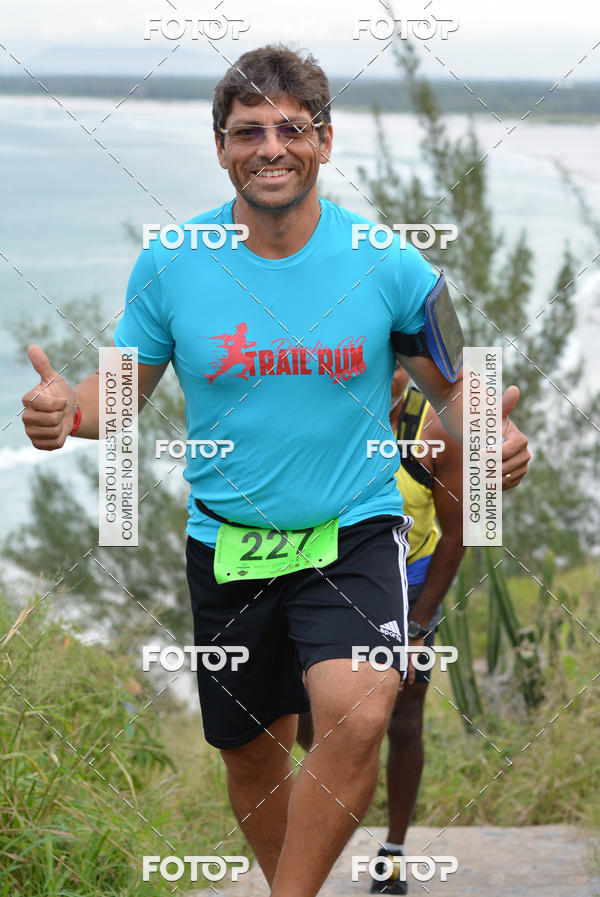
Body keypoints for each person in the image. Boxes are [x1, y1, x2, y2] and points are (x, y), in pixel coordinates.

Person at [21, 44, 530, 897]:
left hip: (354, 531)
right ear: (221, 148)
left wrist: (494, 441)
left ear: (325, 142)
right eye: (246, 131)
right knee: (252, 756)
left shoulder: (390, 263)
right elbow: (111, 400)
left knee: (363, 706)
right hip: (230, 545)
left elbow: (460, 393)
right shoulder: (173, 262)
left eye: (291, 128)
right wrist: (57, 413)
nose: (270, 147)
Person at [297, 361, 465, 894]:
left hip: (412, 583)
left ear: (406, 369)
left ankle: (392, 850)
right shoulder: (327, 419)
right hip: (336, 577)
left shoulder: (432, 430)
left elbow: (458, 531)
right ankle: (338, 804)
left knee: (406, 716)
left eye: (394, 365)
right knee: (309, 715)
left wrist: (418, 624)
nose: (381, 375)